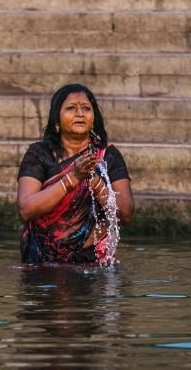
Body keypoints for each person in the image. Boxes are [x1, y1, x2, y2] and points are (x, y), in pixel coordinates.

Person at [17, 83, 134, 264]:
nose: (80, 113)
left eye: (86, 108)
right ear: (56, 120)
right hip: (42, 262)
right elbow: (26, 209)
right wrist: (73, 178)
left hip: (92, 261)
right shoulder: (40, 153)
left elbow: (126, 214)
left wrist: (94, 182)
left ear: (94, 118)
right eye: (71, 108)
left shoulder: (108, 156)